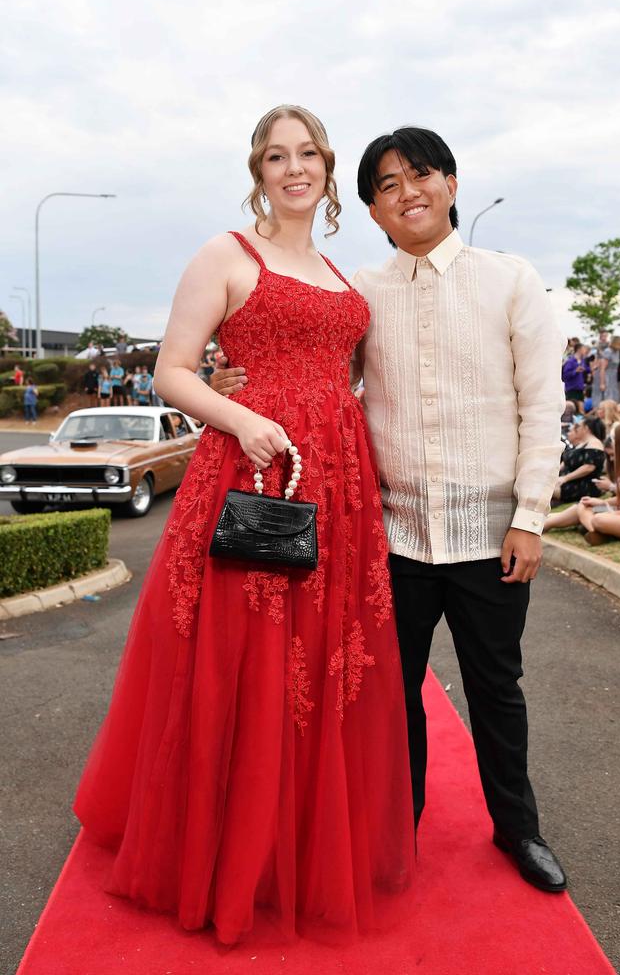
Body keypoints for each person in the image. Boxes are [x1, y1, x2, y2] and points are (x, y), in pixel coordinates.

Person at [73, 104, 416, 945]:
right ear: (258, 171)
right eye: (275, 156)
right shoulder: (227, 254)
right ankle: (221, 853)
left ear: (329, 168)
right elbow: (172, 370)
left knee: (319, 666)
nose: (293, 167)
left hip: (335, 484)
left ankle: (295, 848)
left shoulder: (343, 274)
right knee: (242, 658)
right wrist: (239, 419)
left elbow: (358, 376)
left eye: (307, 154)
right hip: (250, 468)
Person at [215, 125, 568, 893]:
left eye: (420, 176)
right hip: (389, 539)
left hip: (488, 537)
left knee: (496, 691)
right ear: (372, 210)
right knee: (385, 697)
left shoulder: (510, 279)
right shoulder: (359, 294)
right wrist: (230, 368)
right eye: (386, 185)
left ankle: (519, 830)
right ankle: (390, 831)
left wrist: (531, 517)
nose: (407, 192)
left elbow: (544, 406)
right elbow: (306, 363)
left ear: (449, 184)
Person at [544, 423, 620, 545]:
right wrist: (601, 502)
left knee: (600, 519)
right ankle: (596, 532)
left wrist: (616, 514)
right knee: (584, 506)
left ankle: (596, 530)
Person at [553, 417, 605, 503]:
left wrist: (565, 478)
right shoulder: (581, 444)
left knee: (543, 489)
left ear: (586, 428)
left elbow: (589, 467)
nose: (576, 429)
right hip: (568, 481)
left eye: (578, 426)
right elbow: (566, 462)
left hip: (583, 485)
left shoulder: (595, 443)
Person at [561, 341, 589, 411]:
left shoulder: (583, 361)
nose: (586, 351)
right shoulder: (570, 361)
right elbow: (565, 376)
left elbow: (587, 370)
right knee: (571, 410)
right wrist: (575, 371)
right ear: (579, 349)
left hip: (580, 388)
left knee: (581, 410)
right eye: (584, 349)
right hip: (571, 388)